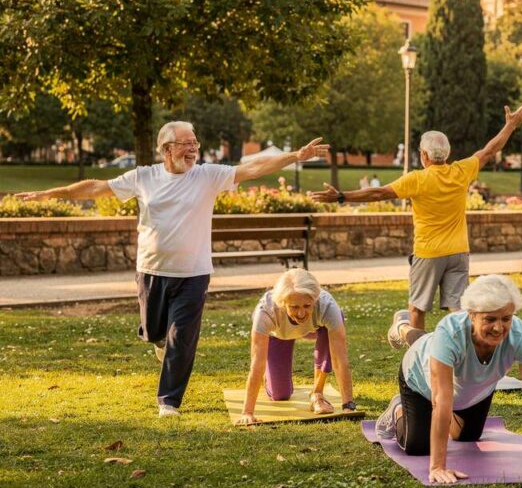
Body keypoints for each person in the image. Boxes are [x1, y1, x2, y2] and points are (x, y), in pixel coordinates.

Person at [15, 122, 328, 417]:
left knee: (182, 338)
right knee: (155, 333)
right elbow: (97, 188)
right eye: (185, 144)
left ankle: (169, 400)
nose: (193, 149)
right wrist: (50, 194)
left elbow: (254, 168)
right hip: (151, 270)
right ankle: (160, 342)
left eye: (195, 143)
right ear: (166, 149)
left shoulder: (207, 175)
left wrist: (295, 156)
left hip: (193, 273)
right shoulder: (144, 177)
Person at [310, 104, 522, 338]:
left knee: (417, 308)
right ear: (447, 153)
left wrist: (342, 196)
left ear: (424, 155)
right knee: (458, 308)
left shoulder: (417, 179)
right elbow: (489, 150)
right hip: (458, 251)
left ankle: (418, 354)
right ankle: (460, 351)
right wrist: (510, 125)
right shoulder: (461, 171)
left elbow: (378, 193)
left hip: (428, 253)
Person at [374, 275, 522, 484]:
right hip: (420, 382)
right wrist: (438, 466)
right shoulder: (450, 333)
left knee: (467, 436)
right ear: (471, 315)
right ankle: (399, 405)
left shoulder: (520, 335)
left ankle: (408, 330)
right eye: (490, 319)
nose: (498, 328)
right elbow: (441, 401)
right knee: (419, 447)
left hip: (474, 389)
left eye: (506, 318)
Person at [235, 269, 356, 425]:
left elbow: (339, 359)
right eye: (294, 307)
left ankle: (317, 393)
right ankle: (269, 379)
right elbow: (257, 363)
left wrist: (348, 405)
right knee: (280, 395)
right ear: (283, 303)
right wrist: (247, 412)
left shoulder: (326, 305)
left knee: (334, 322)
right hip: (279, 334)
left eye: (307, 305)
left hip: (313, 329)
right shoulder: (266, 312)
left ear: (315, 299)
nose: (301, 313)